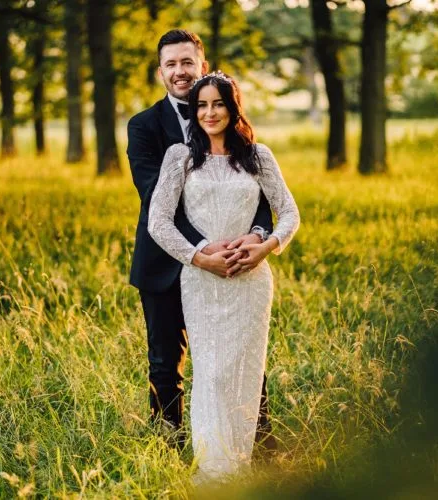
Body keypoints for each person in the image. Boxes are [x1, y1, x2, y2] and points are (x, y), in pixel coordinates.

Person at [148, 72, 300, 481]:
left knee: (245, 374)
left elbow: (288, 212)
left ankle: (242, 470)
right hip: (202, 282)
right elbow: (158, 223)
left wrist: (264, 246)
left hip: (251, 283)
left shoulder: (258, 156)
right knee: (212, 373)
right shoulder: (180, 157)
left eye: (218, 104)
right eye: (201, 105)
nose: (209, 113)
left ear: (234, 108)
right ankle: (214, 472)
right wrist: (199, 257)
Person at [126, 30, 274, 445]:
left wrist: (257, 235)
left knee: (242, 357)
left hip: (230, 263)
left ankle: (256, 443)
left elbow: (257, 191)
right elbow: (158, 201)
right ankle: (168, 446)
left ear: (202, 66)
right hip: (164, 262)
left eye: (187, 62)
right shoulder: (144, 127)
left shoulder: (232, 120)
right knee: (164, 363)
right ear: (160, 72)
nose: (180, 71)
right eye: (171, 64)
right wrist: (202, 249)